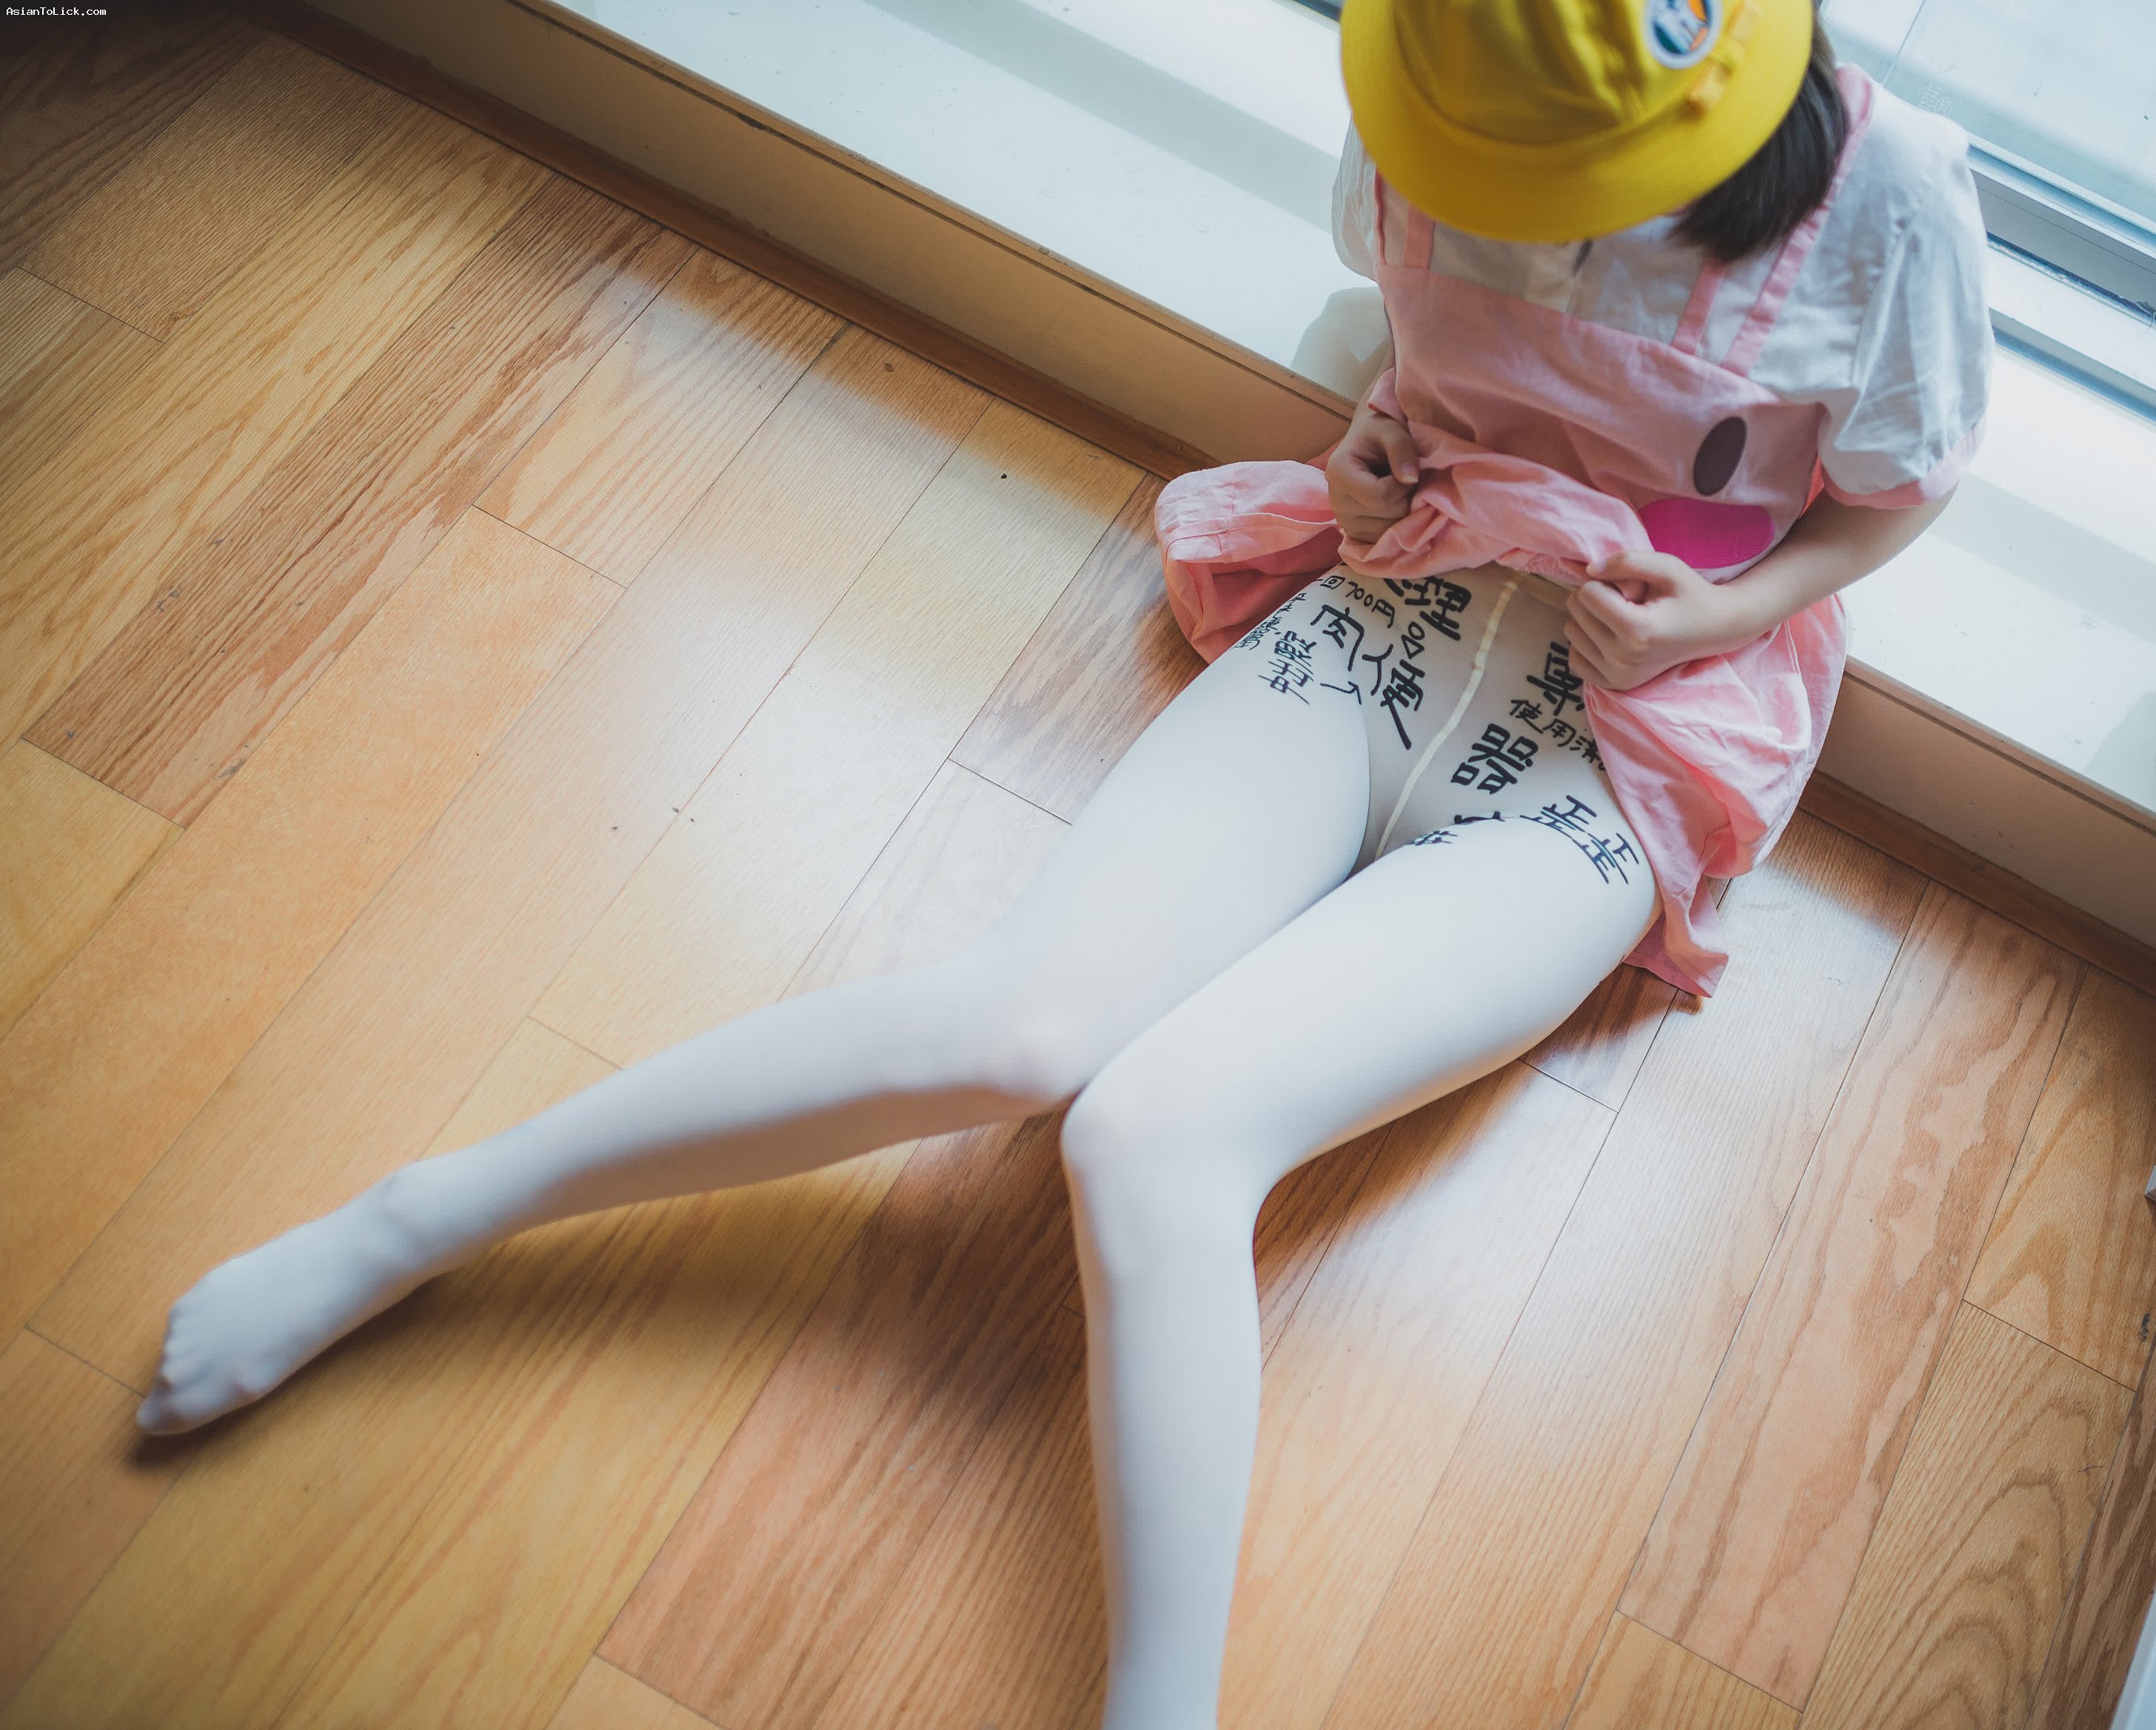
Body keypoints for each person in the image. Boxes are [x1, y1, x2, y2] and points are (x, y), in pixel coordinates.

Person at [135, 1, 1989, 1726]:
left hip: (1619, 752)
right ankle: (424, 1214)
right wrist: (1370, 456)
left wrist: (1718, 611)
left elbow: (1895, 492)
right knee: (1022, 1027)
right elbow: (1408, 348)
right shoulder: (1426, 74)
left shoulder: (1884, 191)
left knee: (1156, 1138)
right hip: (1390, 608)